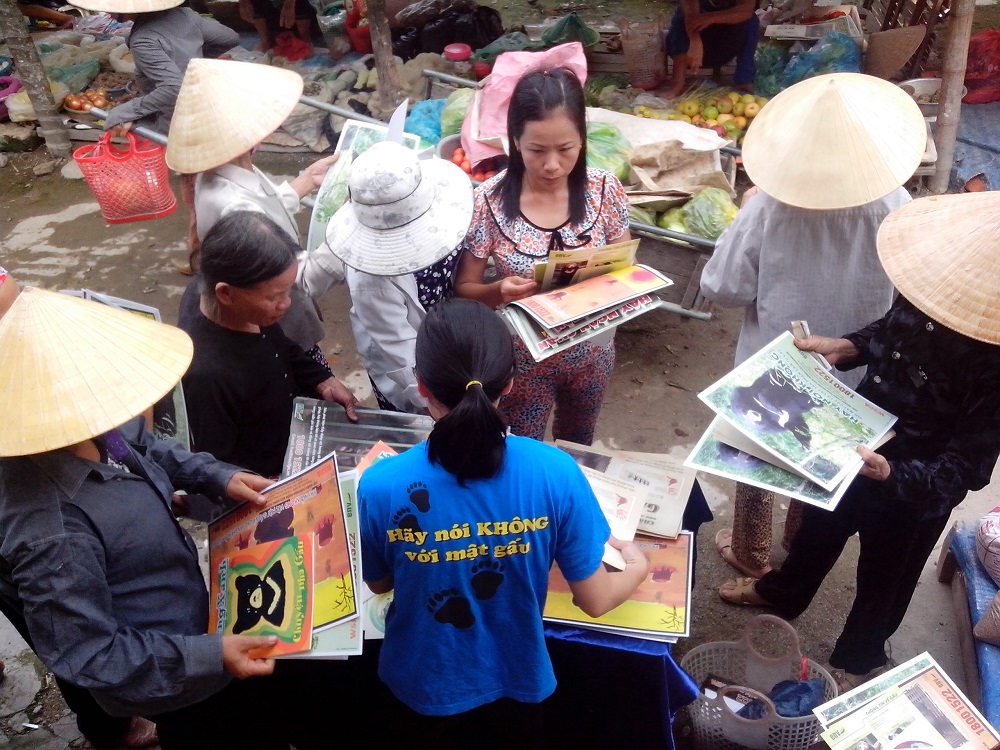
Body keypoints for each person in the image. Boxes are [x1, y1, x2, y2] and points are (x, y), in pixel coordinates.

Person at [0, 287, 333, 750]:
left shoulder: (92, 422)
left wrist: (218, 475)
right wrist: (210, 655)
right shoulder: (51, 532)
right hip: (179, 682)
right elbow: (90, 654)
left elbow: (145, 444)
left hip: (195, 616)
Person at [718, 191, 1000, 693]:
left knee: (884, 581)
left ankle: (859, 656)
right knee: (817, 532)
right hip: (856, 437)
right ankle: (784, 593)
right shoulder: (930, 285)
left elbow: (969, 468)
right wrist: (847, 348)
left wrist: (893, 474)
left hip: (915, 484)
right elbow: (890, 330)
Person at [358, 298, 649, 746]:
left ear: (421, 386)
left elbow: (379, 585)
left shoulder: (380, 485)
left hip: (421, 682)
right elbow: (595, 600)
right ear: (511, 383)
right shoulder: (554, 472)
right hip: (518, 680)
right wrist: (637, 566)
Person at [700, 72, 926, 579]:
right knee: (826, 453)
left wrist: (743, 213)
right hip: (855, 372)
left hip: (774, 368)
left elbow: (723, 287)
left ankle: (750, 551)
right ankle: (798, 540)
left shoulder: (768, 208)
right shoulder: (897, 206)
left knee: (759, 455)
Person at [455, 67, 631, 445]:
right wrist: (498, 290)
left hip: (593, 355)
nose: (552, 164)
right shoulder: (488, 201)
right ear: (515, 141)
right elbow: (464, 288)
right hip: (521, 366)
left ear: (582, 139)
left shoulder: (606, 190)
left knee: (578, 444)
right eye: (537, 150)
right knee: (521, 451)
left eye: (565, 149)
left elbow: (624, 265)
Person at [167, 59, 337, 367]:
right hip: (278, 325)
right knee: (305, 381)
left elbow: (264, 207)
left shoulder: (224, 167)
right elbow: (306, 278)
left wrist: (306, 180)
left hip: (272, 307)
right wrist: (356, 231)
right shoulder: (236, 204)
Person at [177, 210, 359, 479]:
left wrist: (323, 380)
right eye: (275, 296)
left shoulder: (238, 305)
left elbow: (281, 346)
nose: (286, 303)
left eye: (288, 291)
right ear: (226, 293)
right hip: (268, 471)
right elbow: (218, 459)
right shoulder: (208, 374)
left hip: (288, 432)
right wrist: (265, 485)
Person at [297, 140, 474, 414]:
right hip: (409, 366)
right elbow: (402, 357)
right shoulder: (370, 279)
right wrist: (439, 407)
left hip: (446, 331)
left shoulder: (443, 208)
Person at [69, 0, 239, 137]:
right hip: (203, 102)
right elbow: (230, 38)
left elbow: (173, 87)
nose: (108, 12)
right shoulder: (185, 16)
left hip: (177, 119)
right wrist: (195, 63)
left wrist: (125, 112)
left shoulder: (143, 39)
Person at [661, 0, 759, 100]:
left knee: (751, 21)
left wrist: (709, 18)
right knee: (680, 19)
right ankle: (678, 85)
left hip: (722, 49)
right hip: (690, 54)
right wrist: (695, 41)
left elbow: (746, 11)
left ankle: (743, 81)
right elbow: (689, 11)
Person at [239, 0, 315, 53]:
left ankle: (305, 40)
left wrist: (290, 2)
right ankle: (265, 41)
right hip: (274, 14)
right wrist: (243, 2)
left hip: (301, 13)